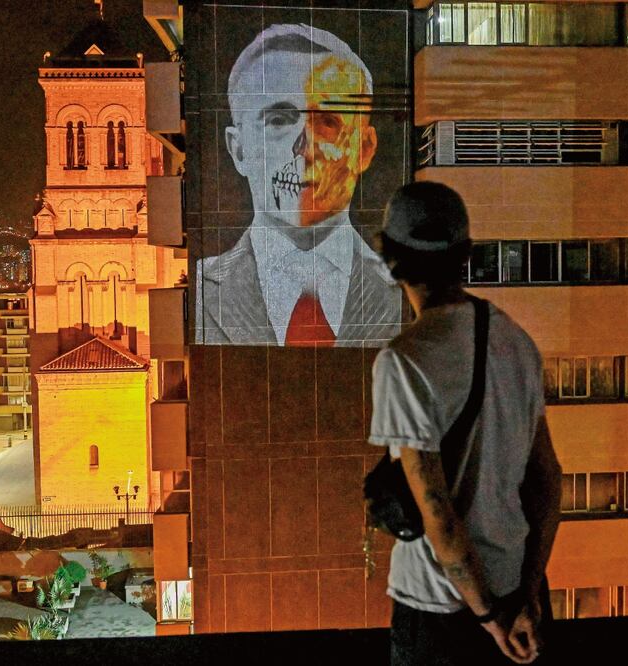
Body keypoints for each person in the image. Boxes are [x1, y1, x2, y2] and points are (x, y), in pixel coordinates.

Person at [368, 182, 562, 665]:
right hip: (520, 593)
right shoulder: (516, 342)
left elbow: (437, 512)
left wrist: (489, 617)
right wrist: (528, 591)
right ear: (465, 254)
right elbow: (546, 479)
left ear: (389, 259)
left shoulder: (404, 362)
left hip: (441, 610)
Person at [196, 23, 402, 346]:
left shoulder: (401, 289)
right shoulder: (200, 292)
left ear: (364, 149)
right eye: (278, 120)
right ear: (239, 150)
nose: (304, 147)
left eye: (329, 122)